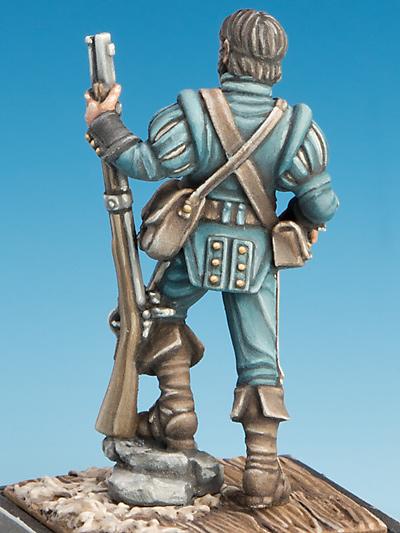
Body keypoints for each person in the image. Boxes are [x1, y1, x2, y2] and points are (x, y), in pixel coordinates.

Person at [85, 9, 339, 508]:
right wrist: (298, 220)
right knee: (260, 358)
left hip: (195, 247)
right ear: (276, 64)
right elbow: (322, 204)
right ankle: (262, 469)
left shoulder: (194, 114)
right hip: (258, 257)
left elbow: (145, 163)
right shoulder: (296, 129)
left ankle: (178, 413)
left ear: (225, 54)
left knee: (156, 313)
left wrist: (105, 123)